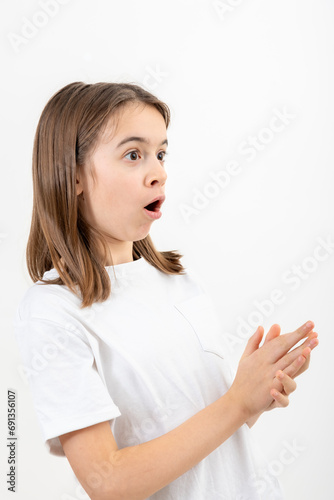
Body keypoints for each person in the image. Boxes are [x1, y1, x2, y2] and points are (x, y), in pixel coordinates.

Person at [13, 81, 319, 500]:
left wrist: (250, 400)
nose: (159, 171)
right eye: (133, 154)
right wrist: (235, 404)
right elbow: (108, 482)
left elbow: (199, 444)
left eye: (160, 153)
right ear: (73, 175)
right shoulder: (53, 310)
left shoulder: (180, 282)